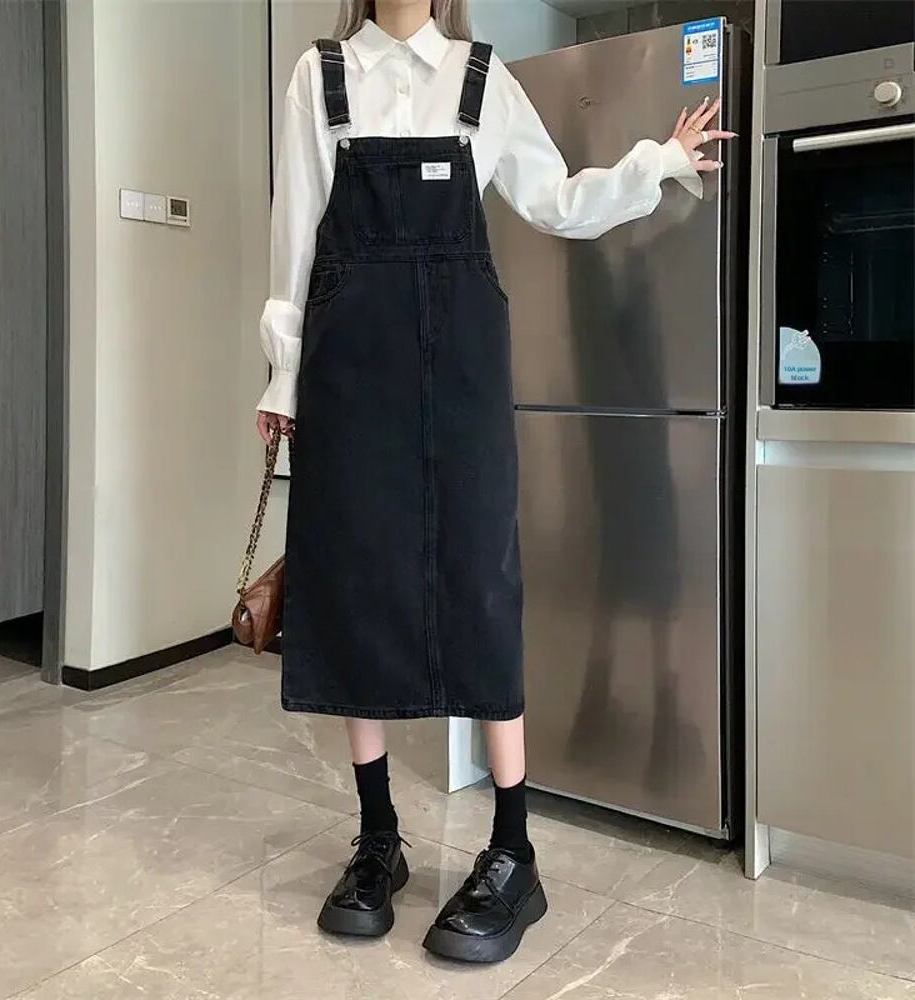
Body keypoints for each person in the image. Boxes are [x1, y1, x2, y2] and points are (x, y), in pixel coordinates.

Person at [255, 0, 732, 965]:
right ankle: (379, 840)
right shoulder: (320, 77)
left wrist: (659, 160)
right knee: (355, 588)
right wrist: (283, 377)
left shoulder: (482, 78)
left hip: (464, 383)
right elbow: (294, 242)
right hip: (347, 381)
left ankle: (513, 849)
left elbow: (558, 200)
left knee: (480, 582)